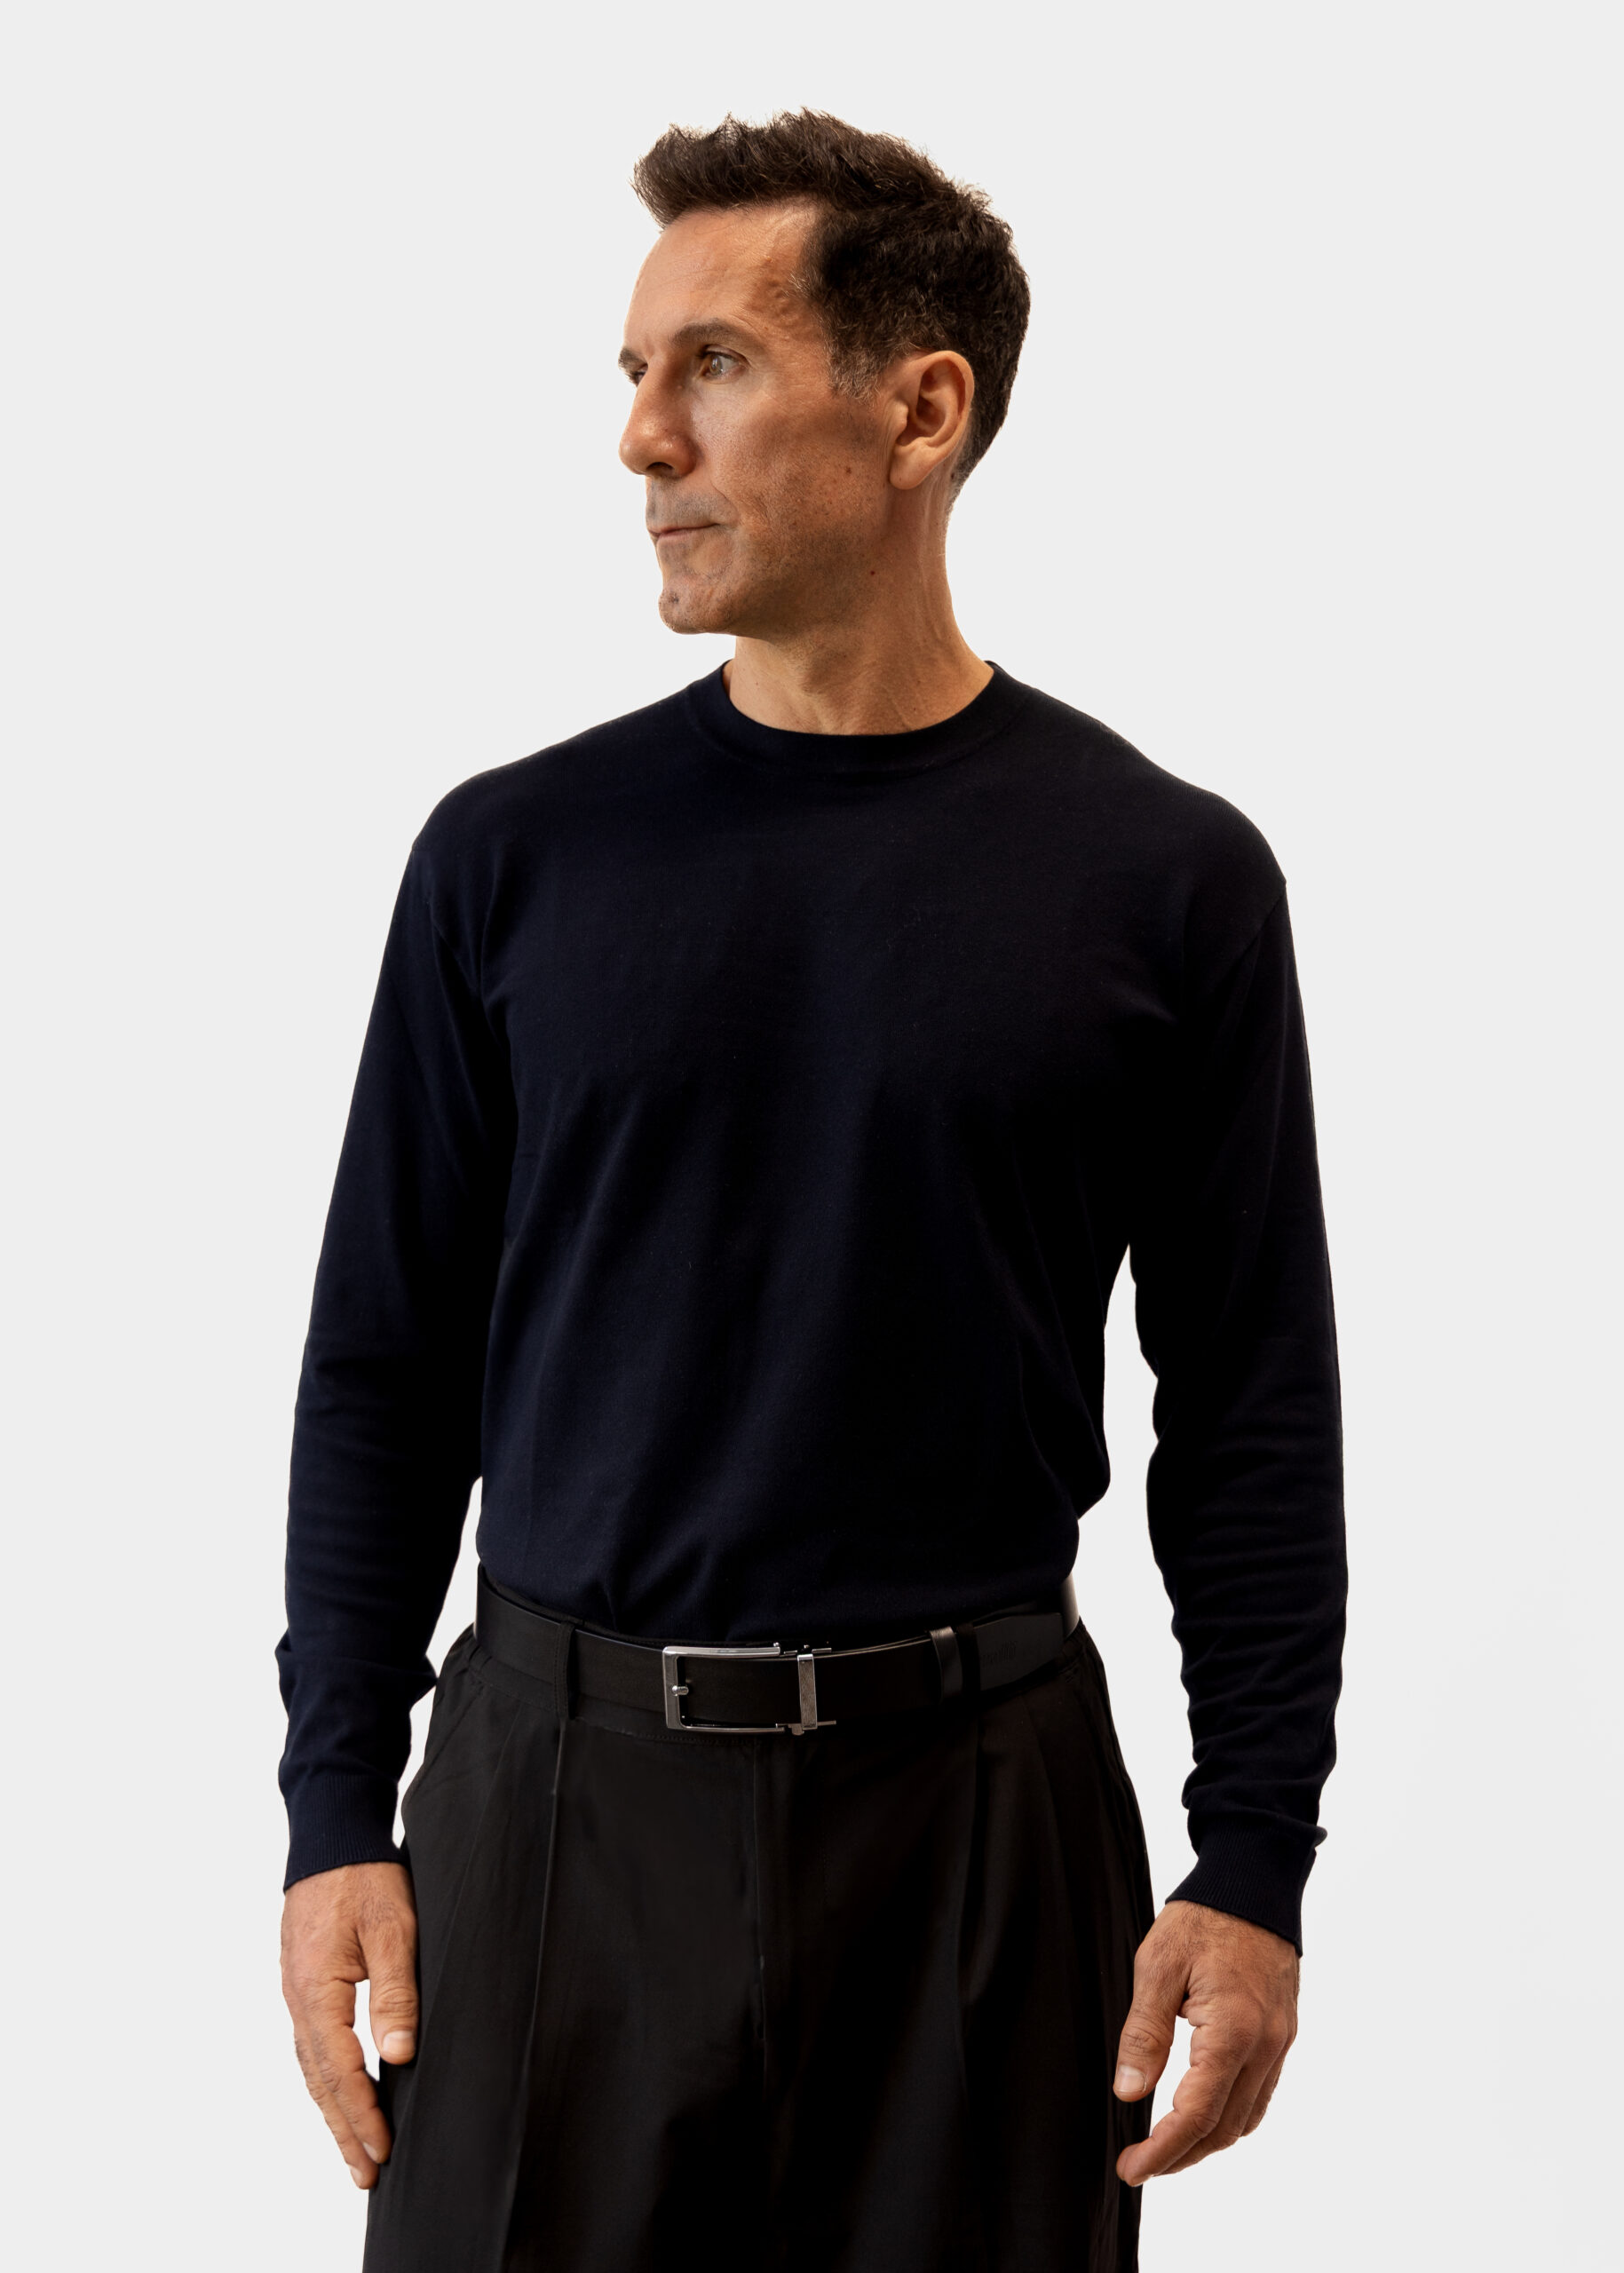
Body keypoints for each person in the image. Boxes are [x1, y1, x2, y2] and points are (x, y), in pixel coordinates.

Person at [277, 110, 1345, 2273]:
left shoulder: (1168, 881)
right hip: (557, 1814)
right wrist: (331, 1811)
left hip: (980, 1831)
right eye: (635, 375)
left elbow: (1249, 1405)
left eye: (716, 366)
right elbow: (386, 1361)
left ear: (920, 410)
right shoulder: (512, 860)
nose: (641, 438)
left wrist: (1252, 1861)